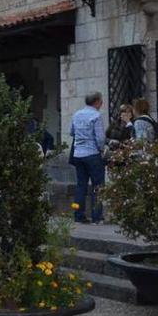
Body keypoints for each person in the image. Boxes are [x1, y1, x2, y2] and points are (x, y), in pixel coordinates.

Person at [70, 91, 106, 224]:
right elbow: (100, 138)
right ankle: (97, 217)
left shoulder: (76, 114)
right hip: (92, 154)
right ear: (96, 102)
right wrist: (102, 150)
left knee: (81, 186)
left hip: (78, 154)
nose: (102, 103)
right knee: (98, 186)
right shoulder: (96, 116)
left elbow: (72, 132)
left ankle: (78, 215)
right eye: (101, 101)